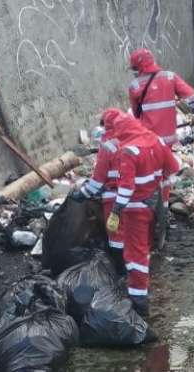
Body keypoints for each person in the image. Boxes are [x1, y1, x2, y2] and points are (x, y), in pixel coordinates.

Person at [106, 114, 180, 318]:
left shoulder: (128, 151)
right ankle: (142, 291)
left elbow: (126, 189)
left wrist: (116, 211)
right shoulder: (156, 141)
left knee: (134, 254)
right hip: (153, 205)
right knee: (145, 248)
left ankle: (139, 302)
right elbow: (173, 168)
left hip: (134, 210)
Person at [72, 108, 126, 271]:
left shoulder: (107, 145)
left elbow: (98, 180)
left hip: (114, 197)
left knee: (116, 233)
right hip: (137, 196)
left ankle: (121, 271)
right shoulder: (132, 138)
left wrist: (82, 194)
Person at [127, 48, 194, 148]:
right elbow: (190, 96)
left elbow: (136, 114)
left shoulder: (135, 85)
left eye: (135, 68)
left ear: (139, 67)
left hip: (150, 139)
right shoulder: (170, 76)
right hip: (170, 138)